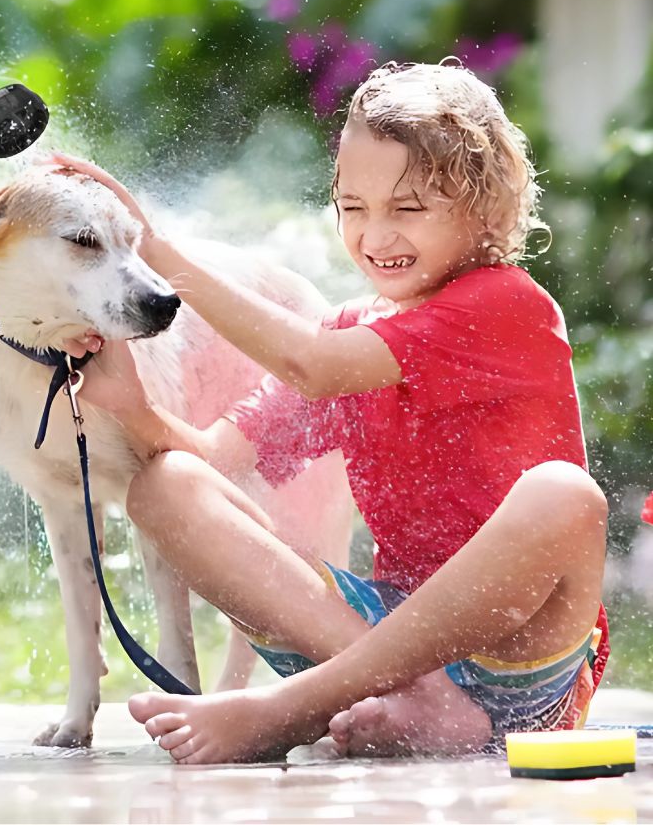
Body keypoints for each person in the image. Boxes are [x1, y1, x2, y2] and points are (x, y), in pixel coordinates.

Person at [52, 59, 610, 764]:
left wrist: (162, 257)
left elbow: (310, 365)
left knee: (563, 494)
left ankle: (292, 707)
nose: (376, 235)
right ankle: (416, 706)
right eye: (353, 208)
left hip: (523, 661)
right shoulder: (351, 328)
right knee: (165, 485)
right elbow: (217, 462)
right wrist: (133, 410)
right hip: (379, 647)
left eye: (407, 210)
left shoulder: (507, 305)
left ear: (487, 210)